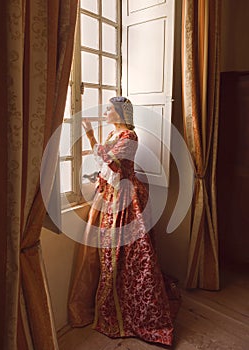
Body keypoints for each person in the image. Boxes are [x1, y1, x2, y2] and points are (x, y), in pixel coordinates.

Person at [68, 96, 180, 346]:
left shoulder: (129, 137)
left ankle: (135, 311)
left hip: (124, 197)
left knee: (128, 254)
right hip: (110, 193)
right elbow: (103, 164)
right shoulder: (113, 135)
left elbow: (112, 167)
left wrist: (89, 135)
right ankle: (112, 302)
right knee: (110, 251)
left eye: (109, 109)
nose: (106, 112)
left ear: (119, 112)